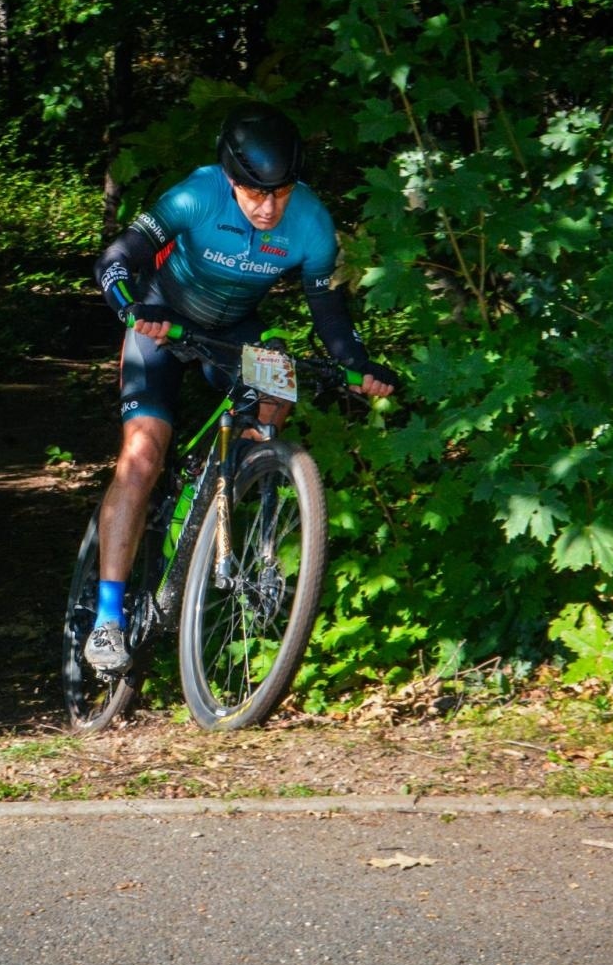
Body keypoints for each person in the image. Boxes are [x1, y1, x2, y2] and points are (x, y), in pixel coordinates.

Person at [84, 101, 397, 673]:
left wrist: (360, 367)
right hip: (163, 319)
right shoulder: (196, 194)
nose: (268, 206)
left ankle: (240, 497)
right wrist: (130, 306)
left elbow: (331, 317)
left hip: (235, 331)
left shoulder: (312, 223)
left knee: (281, 383)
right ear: (230, 179)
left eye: (279, 191)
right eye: (254, 193)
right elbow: (119, 255)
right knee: (143, 454)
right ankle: (107, 621)